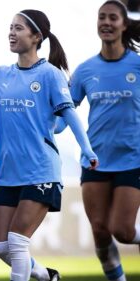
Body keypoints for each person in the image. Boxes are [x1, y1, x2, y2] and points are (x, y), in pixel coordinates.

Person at [0, 9, 99, 281]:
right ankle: (45, 275)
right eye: (10, 27)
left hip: (40, 170)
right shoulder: (0, 75)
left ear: (37, 37)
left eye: (18, 28)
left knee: (17, 242)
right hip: (8, 172)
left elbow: (70, 115)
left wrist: (86, 149)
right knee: (1, 247)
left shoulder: (50, 75)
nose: (11, 32)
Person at [57, 1, 140, 280]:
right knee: (101, 231)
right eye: (101, 17)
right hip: (95, 160)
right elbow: (64, 113)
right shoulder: (85, 70)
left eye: (113, 18)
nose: (106, 22)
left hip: (132, 160)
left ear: (124, 24)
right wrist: (44, 126)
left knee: (123, 230)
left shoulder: (137, 65)